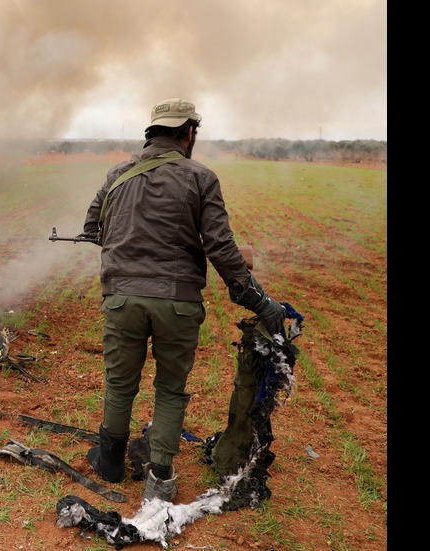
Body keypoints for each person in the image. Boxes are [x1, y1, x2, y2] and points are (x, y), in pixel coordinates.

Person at [80, 98, 285, 502]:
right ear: (188, 133)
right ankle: (161, 480)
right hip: (178, 302)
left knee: (120, 384)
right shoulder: (202, 177)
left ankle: (111, 463)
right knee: (170, 389)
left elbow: (91, 229)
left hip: (122, 300)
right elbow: (222, 250)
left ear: (152, 133)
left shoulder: (118, 173)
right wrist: (259, 301)